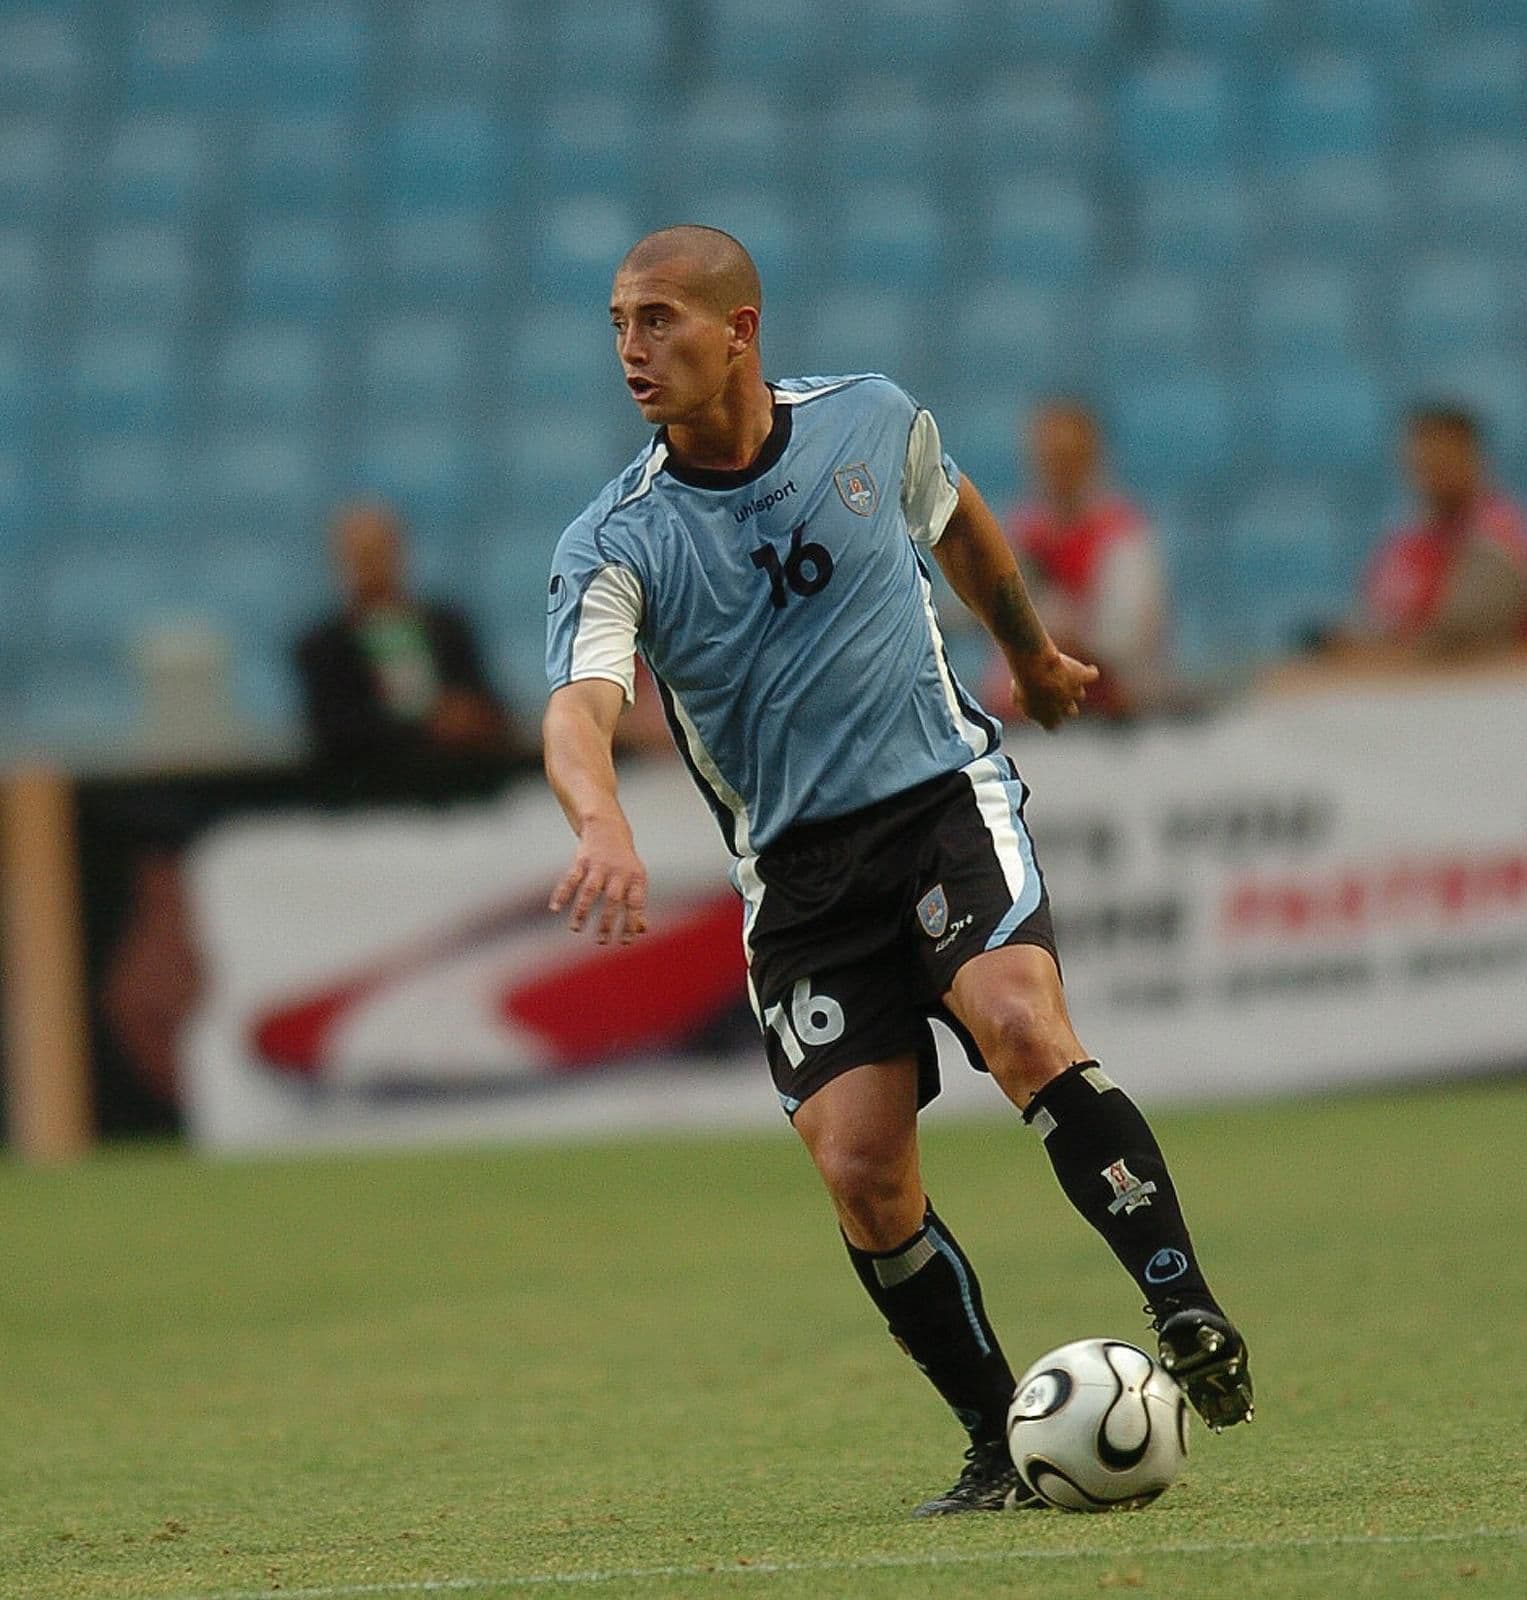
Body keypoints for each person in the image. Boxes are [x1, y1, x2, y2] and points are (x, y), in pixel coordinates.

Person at [541, 227, 1252, 1516]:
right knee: (863, 1171)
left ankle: (1183, 1301)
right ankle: (1003, 1441)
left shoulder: (868, 420)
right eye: (617, 324)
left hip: (938, 803)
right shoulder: (615, 538)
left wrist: (1029, 654)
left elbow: (957, 517)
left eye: (658, 320)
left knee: (1024, 1021)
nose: (632, 349)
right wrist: (599, 820)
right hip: (799, 877)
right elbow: (579, 707)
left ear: (740, 330)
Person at [295, 500, 528, 785]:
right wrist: (430, 728)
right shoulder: (323, 648)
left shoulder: (447, 629)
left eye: (379, 552)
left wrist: (474, 719)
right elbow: (333, 731)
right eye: (361, 556)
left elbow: (489, 703)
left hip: (461, 795)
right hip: (370, 801)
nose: (371, 566)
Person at [981, 400, 1169, 719]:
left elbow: (1127, 639)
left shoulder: (1121, 536)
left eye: (1068, 458)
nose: (1057, 469)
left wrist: (1059, 627)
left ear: (1092, 458)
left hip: (1103, 717)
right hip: (1024, 717)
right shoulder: (1019, 534)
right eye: (1049, 457)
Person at [1358, 405, 1527, 658]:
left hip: (1482, 688)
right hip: (1407, 685)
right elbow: (1379, 620)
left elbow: (1460, 637)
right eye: (1424, 461)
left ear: (1474, 458)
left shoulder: (1497, 538)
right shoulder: (1406, 543)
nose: (1432, 472)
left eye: (1443, 458)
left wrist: (1369, 655)